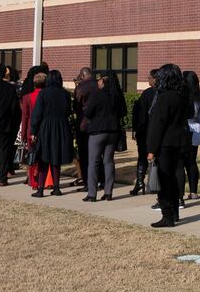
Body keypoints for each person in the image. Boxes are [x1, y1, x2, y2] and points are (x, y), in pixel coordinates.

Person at [147, 63, 191, 228]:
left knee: (165, 180)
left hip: (166, 143)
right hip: (180, 142)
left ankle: (167, 215)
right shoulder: (182, 96)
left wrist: (151, 149)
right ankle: (174, 213)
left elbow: (158, 124)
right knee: (173, 178)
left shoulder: (164, 97)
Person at [82, 69, 126, 202]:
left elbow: (88, 112)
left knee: (94, 162)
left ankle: (92, 193)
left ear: (103, 80)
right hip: (113, 131)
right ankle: (108, 192)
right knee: (108, 161)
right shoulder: (117, 96)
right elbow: (123, 112)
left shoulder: (98, 94)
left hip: (97, 131)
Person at [29, 69, 74, 197]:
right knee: (56, 158)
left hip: (46, 127)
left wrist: (34, 131)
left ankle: (41, 189)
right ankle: (56, 187)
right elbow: (67, 111)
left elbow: (37, 114)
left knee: (44, 158)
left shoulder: (43, 93)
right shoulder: (65, 94)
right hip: (61, 127)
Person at [130, 69, 159, 197]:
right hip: (156, 130)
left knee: (142, 157)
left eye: (149, 78)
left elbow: (140, 114)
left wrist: (137, 129)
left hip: (145, 131)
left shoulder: (147, 94)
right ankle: (155, 183)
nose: (148, 80)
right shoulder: (162, 93)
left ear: (155, 79)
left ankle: (140, 183)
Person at [19, 68, 48, 192]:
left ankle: (33, 181)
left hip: (31, 129)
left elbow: (24, 117)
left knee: (32, 156)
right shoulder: (47, 96)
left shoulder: (27, 97)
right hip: (45, 129)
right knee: (45, 156)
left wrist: (24, 133)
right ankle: (46, 181)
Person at [183, 70, 200, 202]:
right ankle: (194, 191)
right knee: (192, 162)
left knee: (180, 163)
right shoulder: (198, 98)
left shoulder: (181, 95)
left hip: (183, 129)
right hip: (195, 129)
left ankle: (180, 192)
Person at [71, 67, 96, 190]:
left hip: (83, 125)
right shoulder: (99, 85)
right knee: (97, 155)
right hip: (97, 125)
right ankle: (99, 180)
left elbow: (76, 106)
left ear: (82, 75)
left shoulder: (80, 88)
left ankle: (87, 182)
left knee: (84, 156)